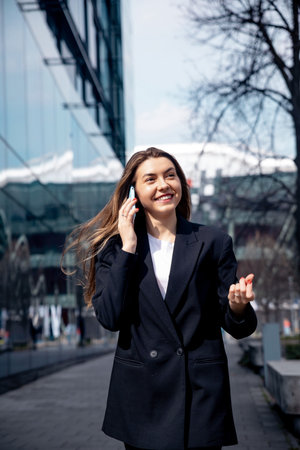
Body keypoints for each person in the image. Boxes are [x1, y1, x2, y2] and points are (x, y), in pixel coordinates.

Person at [62, 147, 257, 450]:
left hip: (199, 393)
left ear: (181, 182)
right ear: (133, 192)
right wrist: (128, 246)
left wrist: (238, 305)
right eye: (150, 179)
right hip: (143, 396)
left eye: (170, 175)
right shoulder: (114, 249)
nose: (164, 184)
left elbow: (238, 326)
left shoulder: (214, 242)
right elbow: (110, 318)